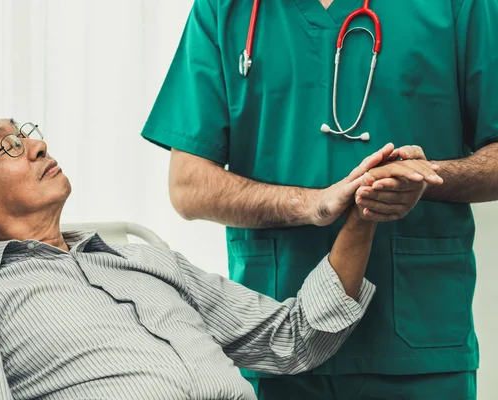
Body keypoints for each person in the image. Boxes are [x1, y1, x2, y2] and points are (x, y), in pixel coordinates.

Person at [0, 105, 420, 400]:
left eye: (25, 133)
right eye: (4, 146)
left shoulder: (141, 259)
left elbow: (293, 339)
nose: (35, 145)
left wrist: (362, 214)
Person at [141, 0, 498, 398]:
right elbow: (188, 187)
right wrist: (311, 204)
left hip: (416, 339)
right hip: (276, 336)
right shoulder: (225, 9)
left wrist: (425, 177)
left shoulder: (457, 6)